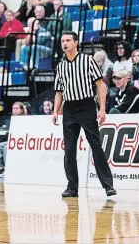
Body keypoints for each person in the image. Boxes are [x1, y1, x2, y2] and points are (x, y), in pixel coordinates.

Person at [52, 31, 116, 198]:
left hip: (86, 106)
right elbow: (59, 92)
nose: (64, 43)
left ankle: (108, 185)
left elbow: (100, 85)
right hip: (69, 109)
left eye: (67, 40)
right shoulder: (61, 66)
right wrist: (55, 111)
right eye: (62, 40)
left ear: (76, 42)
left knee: (95, 145)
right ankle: (72, 187)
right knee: (69, 149)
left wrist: (102, 108)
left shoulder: (88, 60)